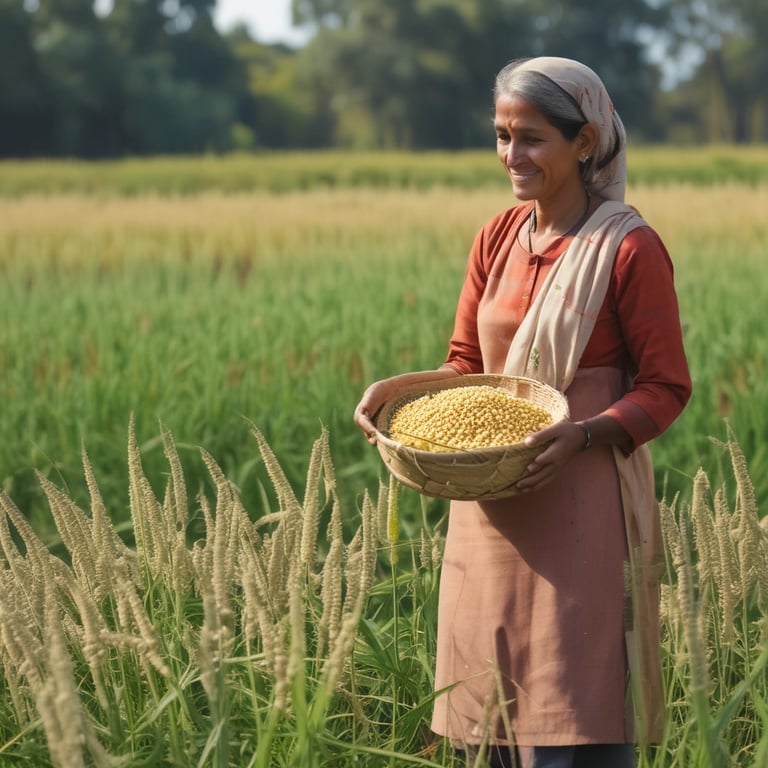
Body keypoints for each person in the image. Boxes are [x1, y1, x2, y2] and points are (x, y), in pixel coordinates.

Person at [353, 56, 691, 768]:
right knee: (490, 724)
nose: (512, 154)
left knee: (574, 709)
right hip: (487, 506)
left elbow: (666, 386)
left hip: (580, 503)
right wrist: (400, 390)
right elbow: (465, 367)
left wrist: (586, 434)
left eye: (532, 137)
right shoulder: (497, 238)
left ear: (585, 141)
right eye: (502, 135)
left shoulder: (628, 247)